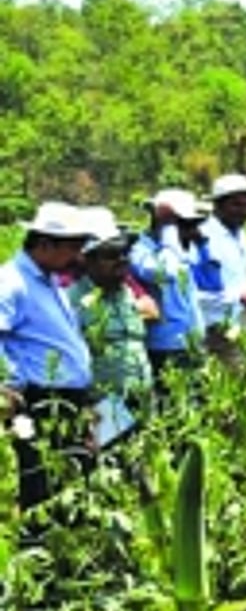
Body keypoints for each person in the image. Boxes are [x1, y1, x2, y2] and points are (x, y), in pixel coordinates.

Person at [0, 202, 94, 510]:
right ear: (44, 245)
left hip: (68, 400)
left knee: (73, 486)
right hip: (39, 399)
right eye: (73, 247)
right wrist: (8, 386)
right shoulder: (12, 282)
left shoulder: (50, 282)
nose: (78, 256)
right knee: (42, 490)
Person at [67, 209, 152, 413]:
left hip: (142, 397)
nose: (122, 259)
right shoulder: (72, 300)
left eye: (125, 252)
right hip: (103, 405)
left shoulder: (128, 292)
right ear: (87, 259)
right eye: (111, 255)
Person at [129, 189, 208, 385]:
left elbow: (212, 281)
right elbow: (164, 273)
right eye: (186, 224)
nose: (191, 230)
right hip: (166, 345)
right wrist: (169, 233)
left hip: (193, 341)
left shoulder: (182, 249)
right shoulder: (140, 250)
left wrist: (202, 245)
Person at [197, 173, 246, 364]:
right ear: (218, 205)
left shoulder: (240, 234)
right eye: (236, 205)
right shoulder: (203, 238)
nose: (244, 211)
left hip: (242, 323)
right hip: (214, 327)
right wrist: (239, 297)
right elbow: (194, 291)